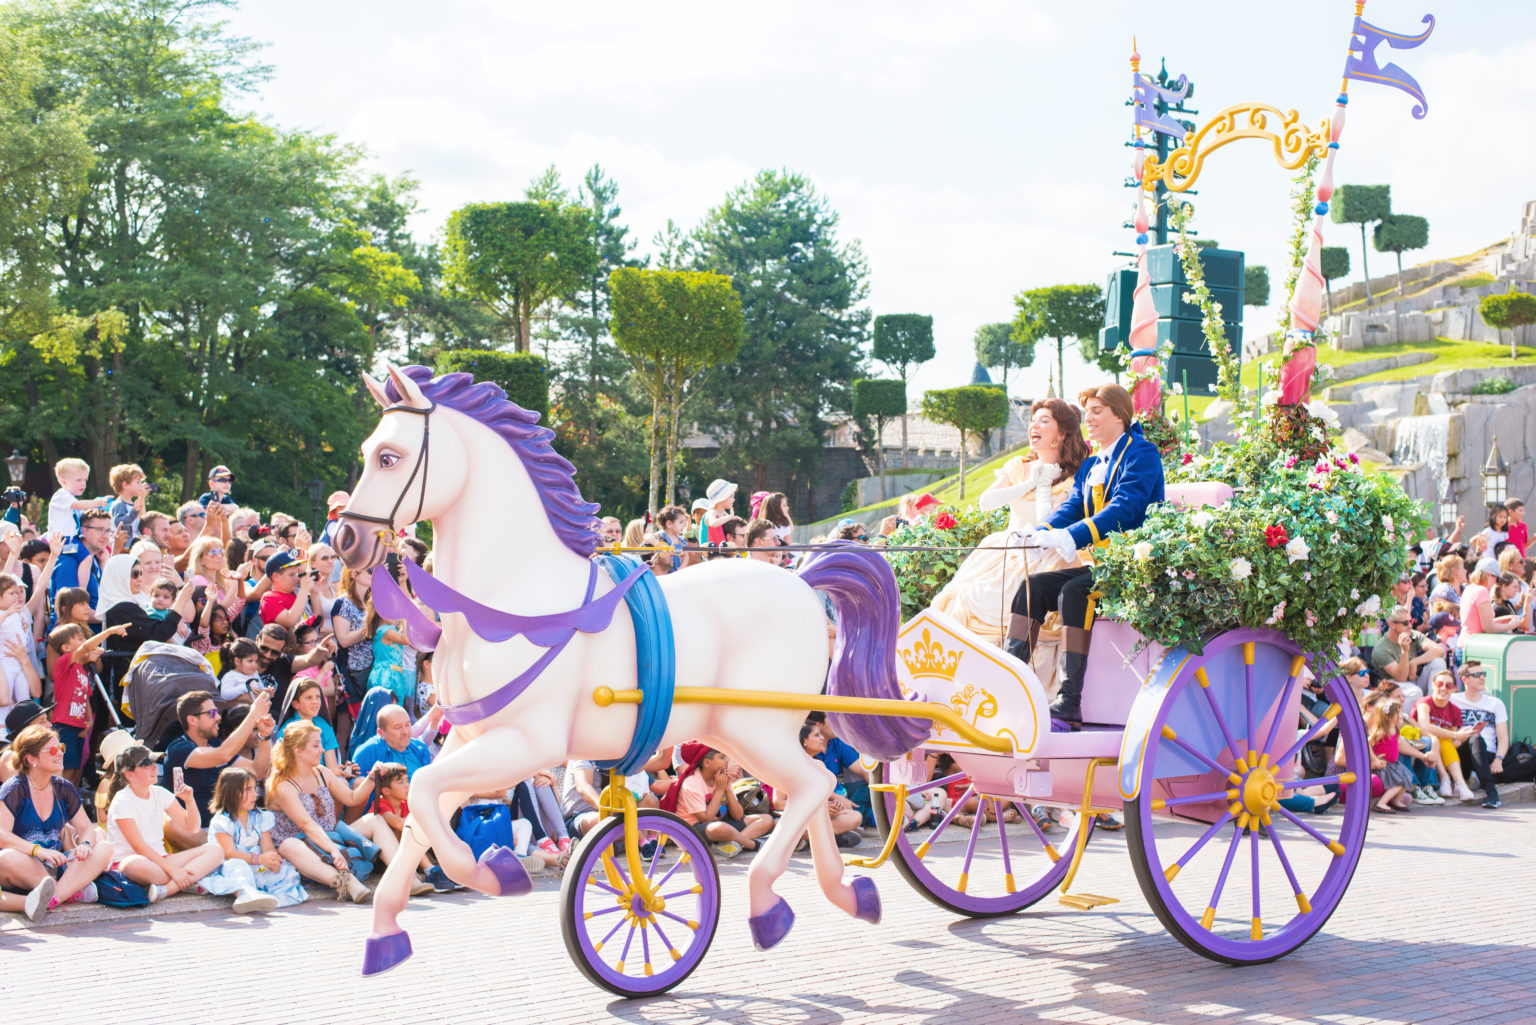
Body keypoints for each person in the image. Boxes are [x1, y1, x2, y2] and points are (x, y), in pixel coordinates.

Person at [1009, 384, 1165, 724]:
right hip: (1103, 566)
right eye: (1087, 411)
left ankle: (1069, 699)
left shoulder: (1142, 453)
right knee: (1032, 586)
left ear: (1120, 416)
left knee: (1073, 591)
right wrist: (1042, 531)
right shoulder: (1093, 463)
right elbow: (1074, 507)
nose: (1088, 419)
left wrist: (1073, 537)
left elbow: (1125, 508)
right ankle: (1011, 682)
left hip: (1135, 565)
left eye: (1096, 411)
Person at [934, 398, 1091, 666]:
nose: (1034, 426)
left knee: (1003, 601)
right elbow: (986, 501)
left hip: (1045, 552)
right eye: (1033, 420)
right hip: (1006, 548)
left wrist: (1043, 483)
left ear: (1062, 434)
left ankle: (1008, 672)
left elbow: (1048, 521)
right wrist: (1030, 481)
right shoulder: (1020, 466)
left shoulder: (1073, 477)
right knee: (967, 596)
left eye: (1044, 421)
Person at [266, 721, 405, 903]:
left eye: (321, 745)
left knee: (374, 820)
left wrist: (372, 778)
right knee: (288, 845)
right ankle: (346, 883)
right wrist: (334, 851)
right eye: (316, 746)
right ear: (297, 751)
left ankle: (404, 877)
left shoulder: (322, 772)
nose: (322, 750)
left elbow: (352, 798)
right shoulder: (283, 786)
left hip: (331, 837)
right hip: (304, 849)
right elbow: (307, 826)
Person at [0, 723, 115, 919]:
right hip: (26, 865)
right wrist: (39, 851)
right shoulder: (15, 788)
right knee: (7, 857)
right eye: (53, 750)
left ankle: (53, 898)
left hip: (57, 867)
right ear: (31, 759)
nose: (60, 753)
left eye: (61, 748)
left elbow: (86, 827)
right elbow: (2, 836)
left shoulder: (64, 788)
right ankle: (69, 892)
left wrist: (85, 845)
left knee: (104, 847)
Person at [104, 742, 224, 903]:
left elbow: (192, 827)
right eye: (146, 765)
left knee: (216, 850)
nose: (154, 768)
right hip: (135, 862)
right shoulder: (122, 800)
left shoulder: (159, 793)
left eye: (154, 763)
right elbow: (139, 847)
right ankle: (188, 880)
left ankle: (167, 890)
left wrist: (189, 800)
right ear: (129, 774)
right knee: (131, 865)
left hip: (162, 860)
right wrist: (174, 871)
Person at [162, 690, 275, 847]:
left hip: (225, 826)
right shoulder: (179, 748)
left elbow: (258, 771)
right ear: (192, 720)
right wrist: (253, 715)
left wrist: (265, 736)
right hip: (199, 833)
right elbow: (223, 755)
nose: (219, 717)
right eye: (212, 713)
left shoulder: (215, 745)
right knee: (171, 825)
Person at [200, 766, 307, 913]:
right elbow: (229, 853)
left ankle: (270, 897)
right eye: (248, 789)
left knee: (283, 872)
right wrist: (259, 859)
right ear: (231, 792)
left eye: (255, 788)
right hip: (232, 863)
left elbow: (267, 846)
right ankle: (246, 894)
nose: (254, 794)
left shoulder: (259, 817)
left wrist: (271, 858)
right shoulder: (222, 821)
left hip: (257, 862)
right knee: (237, 867)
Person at [47, 622, 127, 783]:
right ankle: (60, 802)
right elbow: (84, 649)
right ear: (66, 648)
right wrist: (109, 631)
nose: (84, 642)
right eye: (79, 639)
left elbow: (86, 698)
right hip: (64, 725)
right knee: (66, 769)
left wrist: (89, 721)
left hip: (79, 726)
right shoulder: (63, 663)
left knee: (77, 769)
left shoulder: (81, 670)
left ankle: (72, 801)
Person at [661, 742, 772, 858]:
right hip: (693, 830)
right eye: (722, 757)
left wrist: (727, 789)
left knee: (766, 819)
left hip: (718, 825)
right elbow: (705, 818)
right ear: (707, 762)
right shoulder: (691, 783)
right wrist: (719, 790)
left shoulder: (721, 777)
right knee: (720, 828)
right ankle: (752, 844)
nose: (727, 761)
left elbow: (738, 816)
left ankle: (733, 843)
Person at [1413, 670, 1478, 802]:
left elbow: (1453, 742)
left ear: (1454, 689)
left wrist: (1460, 737)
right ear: (1432, 685)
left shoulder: (1455, 710)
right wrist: (1455, 734)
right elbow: (1424, 725)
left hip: (1440, 752)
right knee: (1437, 739)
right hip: (1421, 745)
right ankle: (1453, 781)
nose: (1443, 688)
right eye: (1439, 684)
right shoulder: (1424, 703)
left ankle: (1451, 781)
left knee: (1444, 741)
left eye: (1448, 686)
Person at [1451, 661, 1509, 809]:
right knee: (1475, 737)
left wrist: (1499, 759)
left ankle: (1477, 776)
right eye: (1477, 675)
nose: (1482, 678)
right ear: (1465, 679)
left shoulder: (1495, 703)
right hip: (1461, 753)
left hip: (1487, 755)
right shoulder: (1454, 700)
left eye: (1483, 674)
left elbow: (1503, 738)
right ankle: (1491, 792)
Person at [798, 725, 865, 847]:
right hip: (800, 815)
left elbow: (821, 795)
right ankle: (830, 835)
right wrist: (819, 807)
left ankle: (808, 838)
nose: (822, 739)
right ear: (804, 741)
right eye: (817, 735)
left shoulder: (819, 765)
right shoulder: (793, 765)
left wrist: (833, 805)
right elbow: (778, 802)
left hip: (819, 814)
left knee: (855, 816)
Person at [1370, 605, 1447, 694]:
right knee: (1415, 692)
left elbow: (1439, 651)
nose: (1410, 626)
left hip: (1414, 680)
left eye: (1411, 621)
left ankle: (1432, 702)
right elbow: (1401, 678)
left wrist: (1414, 661)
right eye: (1405, 623)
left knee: (1438, 662)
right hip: (1392, 688)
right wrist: (1404, 651)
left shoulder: (1413, 634)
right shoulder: (1381, 648)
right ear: (1392, 625)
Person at [49, 508, 111, 615]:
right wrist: (110, 619)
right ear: (84, 530)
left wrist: (104, 563)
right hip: (72, 630)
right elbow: (71, 610)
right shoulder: (68, 563)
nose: (105, 536)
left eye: (108, 531)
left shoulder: (98, 559)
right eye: (99, 530)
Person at [46, 457, 109, 542]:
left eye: (85, 480)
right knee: (87, 555)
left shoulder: (71, 498)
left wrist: (98, 509)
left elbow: (83, 514)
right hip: (62, 538)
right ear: (64, 482)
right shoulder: (61, 496)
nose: (83, 484)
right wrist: (97, 503)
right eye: (78, 480)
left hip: (73, 537)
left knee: (92, 553)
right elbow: (78, 505)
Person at [1460, 557, 1518, 643]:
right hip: (1473, 645)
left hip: (1466, 642)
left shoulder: (1469, 589)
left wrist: (1501, 620)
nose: (1496, 583)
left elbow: (1477, 623)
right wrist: (1510, 625)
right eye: (1496, 579)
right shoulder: (1482, 591)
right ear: (1488, 575)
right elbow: (1488, 628)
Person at [258, 549, 319, 630]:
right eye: (291, 575)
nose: (297, 578)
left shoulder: (295, 593)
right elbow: (290, 620)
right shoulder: (269, 597)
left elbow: (318, 622)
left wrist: (315, 593)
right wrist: (304, 589)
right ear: (276, 577)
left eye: (297, 574)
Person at [106, 463, 150, 543]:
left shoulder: (131, 504)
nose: (141, 485)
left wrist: (142, 497)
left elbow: (142, 519)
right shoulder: (119, 504)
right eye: (138, 482)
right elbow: (119, 522)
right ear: (125, 485)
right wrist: (134, 511)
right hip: (123, 547)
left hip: (132, 545)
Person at [217, 637, 264, 703]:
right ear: (237, 661)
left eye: (256, 661)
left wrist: (266, 691)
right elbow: (224, 694)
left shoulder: (254, 673)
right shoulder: (231, 676)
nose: (254, 665)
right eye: (250, 661)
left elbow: (260, 687)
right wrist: (245, 687)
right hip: (239, 711)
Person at [698, 479, 737, 546]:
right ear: (721, 498)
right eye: (731, 496)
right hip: (709, 551)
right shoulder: (711, 512)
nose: (734, 499)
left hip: (720, 550)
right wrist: (729, 517)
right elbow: (713, 523)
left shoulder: (724, 514)